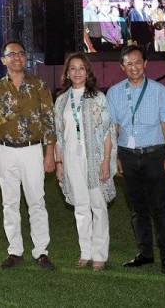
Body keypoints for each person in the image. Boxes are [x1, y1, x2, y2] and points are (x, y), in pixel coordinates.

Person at [0, 40, 56, 271]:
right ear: (3, 59)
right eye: (11, 54)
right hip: (5, 151)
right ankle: (15, 251)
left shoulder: (39, 85)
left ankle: (41, 251)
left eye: (21, 54)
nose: (17, 57)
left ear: (26, 58)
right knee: (10, 203)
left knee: (37, 201)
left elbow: (49, 121)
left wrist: (49, 153)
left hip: (33, 150)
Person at [106, 45, 165, 274]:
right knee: (137, 209)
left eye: (137, 62)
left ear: (145, 63)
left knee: (160, 208)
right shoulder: (114, 92)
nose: (134, 67)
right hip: (127, 155)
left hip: (155, 154)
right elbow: (113, 127)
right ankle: (145, 253)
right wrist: (115, 156)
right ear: (122, 67)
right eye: (129, 63)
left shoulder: (159, 91)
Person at [54, 53, 116, 271]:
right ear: (67, 73)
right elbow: (59, 136)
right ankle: (85, 252)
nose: (77, 72)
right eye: (73, 68)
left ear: (87, 72)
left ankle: (100, 254)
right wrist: (59, 164)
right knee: (81, 207)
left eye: (81, 68)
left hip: (95, 157)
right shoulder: (61, 100)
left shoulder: (98, 97)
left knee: (98, 205)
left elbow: (108, 133)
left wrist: (106, 161)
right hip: (71, 157)